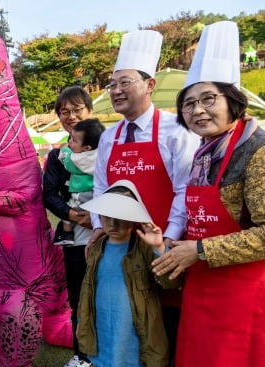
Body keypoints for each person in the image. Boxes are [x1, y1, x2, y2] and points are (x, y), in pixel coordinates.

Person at [151, 21, 265, 366]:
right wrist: (170, 246)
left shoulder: (257, 150)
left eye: (208, 99)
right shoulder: (203, 152)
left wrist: (199, 250)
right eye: (188, 104)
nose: (197, 110)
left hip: (245, 293)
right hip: (202, 286)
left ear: (233, 102)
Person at [90, 30, 199, 361]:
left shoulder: (177, 131)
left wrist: (166, 242)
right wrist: (98, 226)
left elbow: (185, 189)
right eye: (112, 84)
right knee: (125, 320)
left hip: (162, 245)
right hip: (120, 244)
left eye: (125, 82)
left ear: (149, 85)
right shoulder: (110, 136)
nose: (116, 91)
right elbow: (99, 187)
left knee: (164, 321)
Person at [77, 180, 181, 367]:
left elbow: (171, 282)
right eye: (107, 217)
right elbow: (87, 291)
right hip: (101, 332)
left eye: (121, 217)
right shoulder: (96, 248)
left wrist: (159, 247)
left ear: (133, 219)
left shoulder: (145, 248)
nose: (113, 224)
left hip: (134, 335)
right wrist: (82, 323)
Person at [42, 86, 94, 367]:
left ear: (90, 111)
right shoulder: (57, 156)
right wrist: (73, 215)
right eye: (65, 112)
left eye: (77, 110)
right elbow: (48, 194)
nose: (71, 116)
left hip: (112, 235)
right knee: (78, 296)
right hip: (75, 237)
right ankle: (82, 355)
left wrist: (98, 217)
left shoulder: (110, 145)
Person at [55, 118, 105, 245]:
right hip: (97, 195)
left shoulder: (77, 159)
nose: (70, 142)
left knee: (71, 212)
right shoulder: (101, 154)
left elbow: (66, 160)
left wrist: (64, 148)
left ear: (87, 147)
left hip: (81, 193)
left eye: (74, 140)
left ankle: (67, 235)